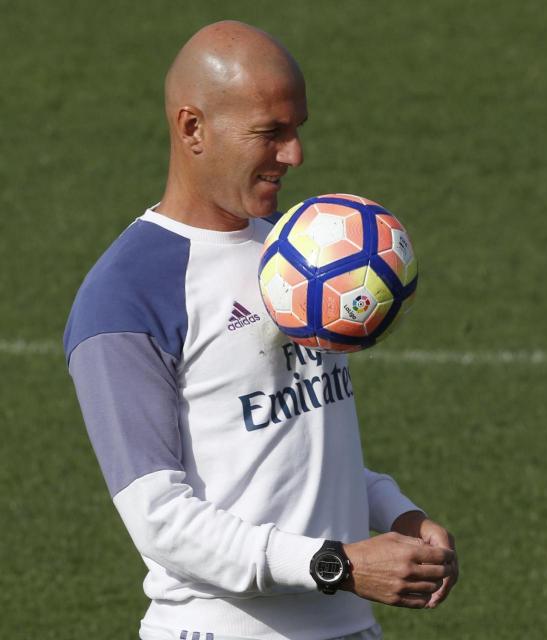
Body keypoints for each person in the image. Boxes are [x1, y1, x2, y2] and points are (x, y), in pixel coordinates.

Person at [63, 20, 458, 640]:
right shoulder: (126, 295)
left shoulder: (300, 252)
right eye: (270, 133)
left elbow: (299, 449)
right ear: (193, 128)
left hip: (349, 628)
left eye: (298, 129)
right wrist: (338, 565)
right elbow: (159, 518)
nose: (295, 154)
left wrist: (396, 511)